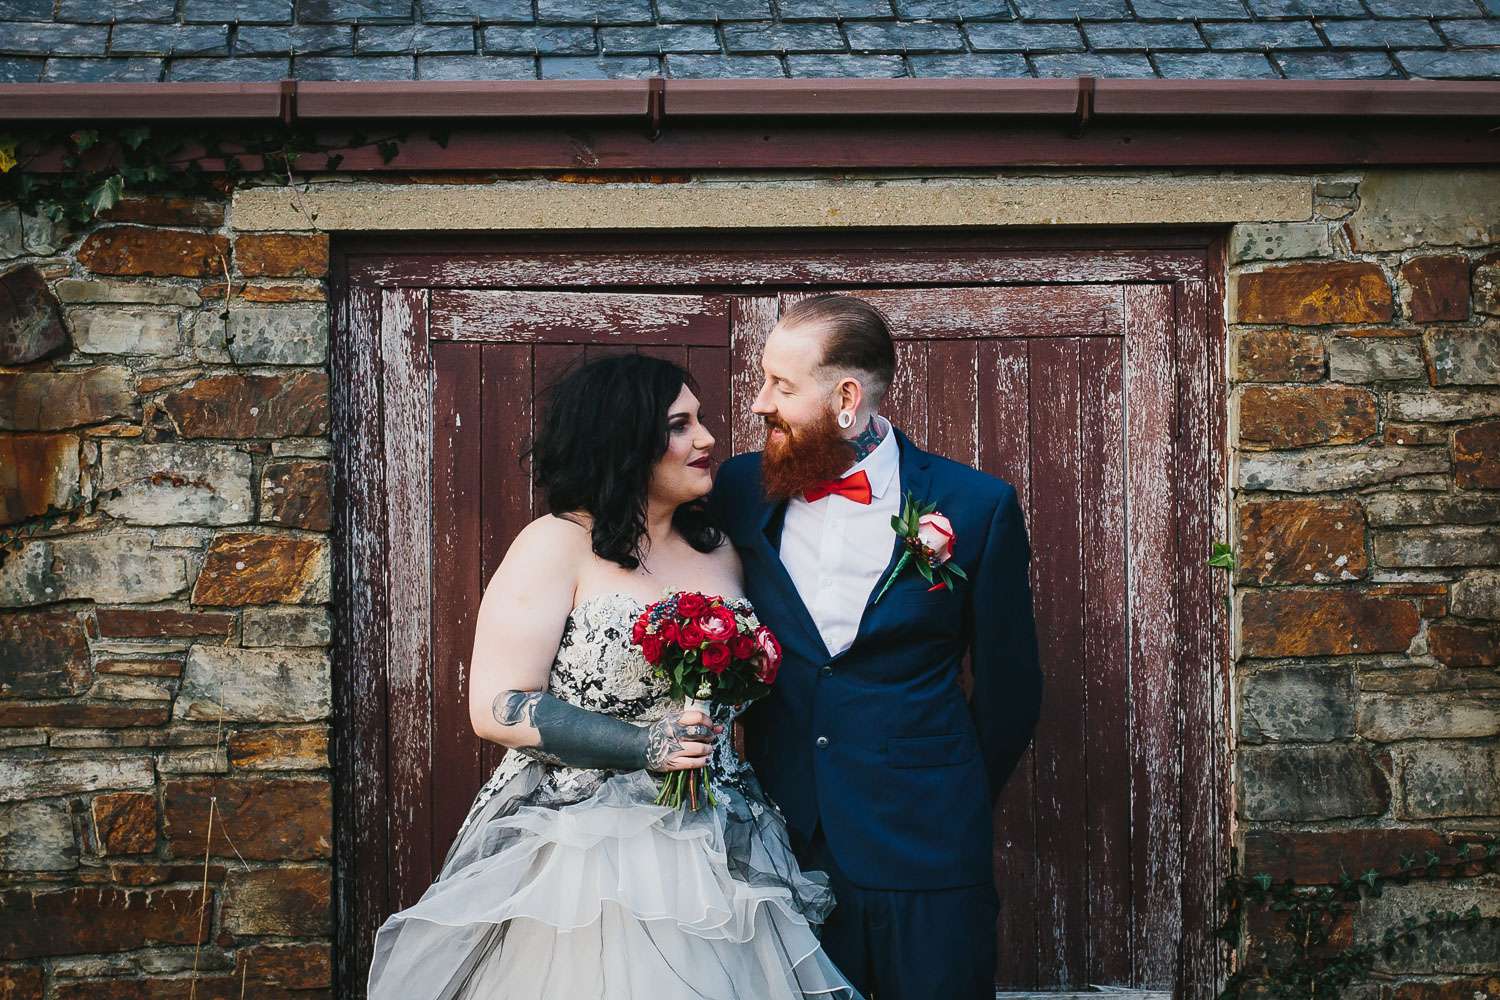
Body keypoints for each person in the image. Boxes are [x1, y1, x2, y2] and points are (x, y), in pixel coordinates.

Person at [366, 353, 864, 1000]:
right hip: (582, 842)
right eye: (680, 426)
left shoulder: (720, 550)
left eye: (700, 420)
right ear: (625, 440)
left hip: (716, 831)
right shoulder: (556, 543)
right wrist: (645, 746)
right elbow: (496, 705)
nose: (707, 439)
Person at [708, 294, 1044, 1000]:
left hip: (927, 847)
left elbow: (1011, 688)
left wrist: (947, 794)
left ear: (845, 398)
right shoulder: (738, 489)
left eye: (781, 386)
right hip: (783, 843)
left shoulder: (975, 505)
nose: (760, 403)